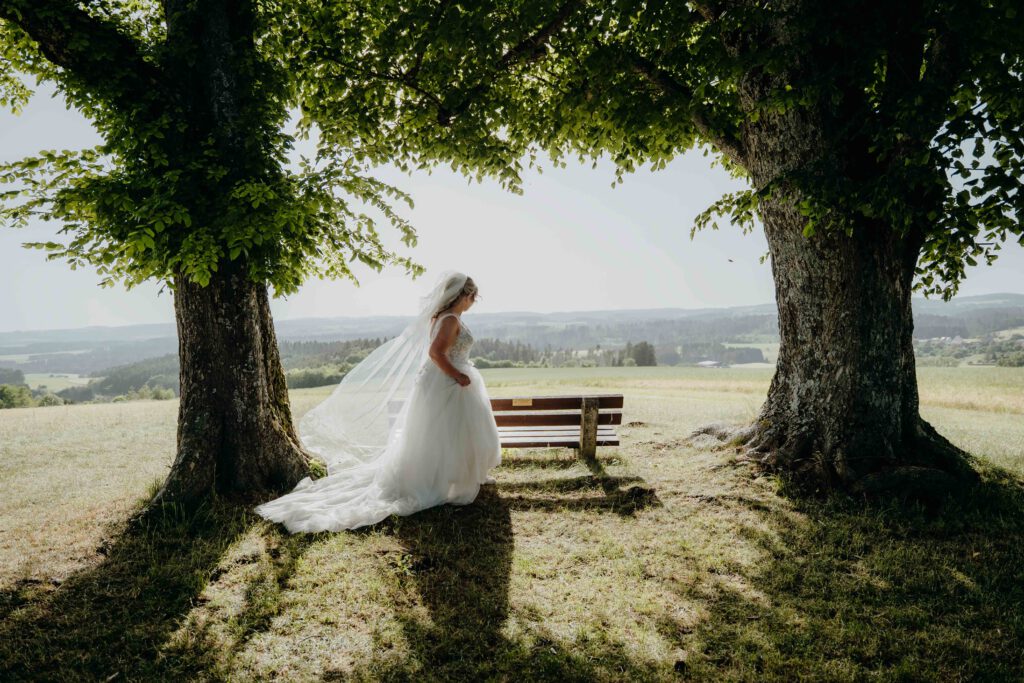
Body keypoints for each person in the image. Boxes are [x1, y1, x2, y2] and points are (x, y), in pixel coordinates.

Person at [255, 271, 501, 532]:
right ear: (464, 295)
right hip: (449, 382)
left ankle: (456, 476)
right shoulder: (450, 319)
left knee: (445, 434)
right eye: (473, 297)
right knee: (446, 433)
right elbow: (435, 353)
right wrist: (458, 375)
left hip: (445, 382)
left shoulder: (442, 317)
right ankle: (445, 481)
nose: (473, 302)